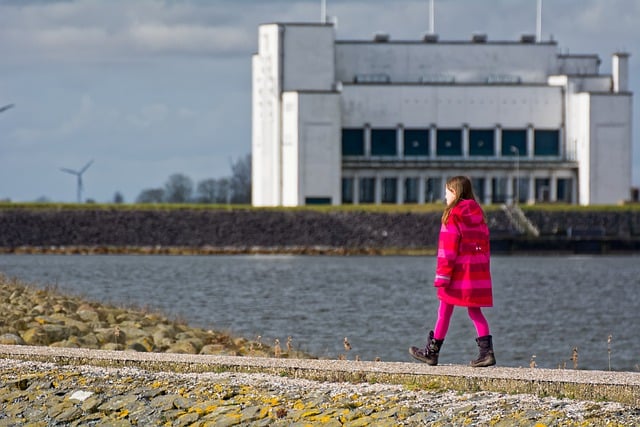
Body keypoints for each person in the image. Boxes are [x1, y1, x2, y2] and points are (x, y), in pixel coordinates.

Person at [409, 175, 496, 367]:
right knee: (475, 312)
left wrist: (442, 276)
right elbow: (485, 249)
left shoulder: (453, 215)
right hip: (476, 274)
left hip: (457, 274)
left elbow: (447, 251)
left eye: (447, 191)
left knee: (444, 312)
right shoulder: (479, 215)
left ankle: (431, 353)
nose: (445, 196)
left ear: (455, 192)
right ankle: (486, 353)